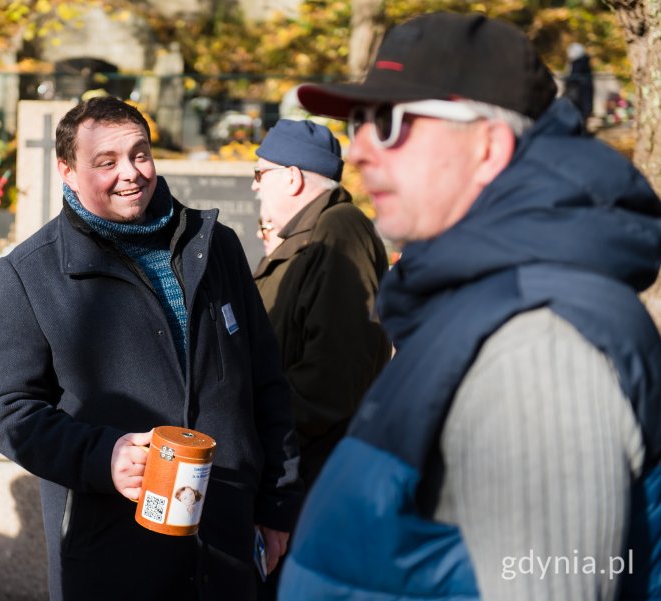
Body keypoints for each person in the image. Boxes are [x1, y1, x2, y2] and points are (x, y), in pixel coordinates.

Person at [279, 12, 661, 601]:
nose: (357, 151)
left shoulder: (538, 345)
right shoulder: (482, 304)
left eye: (390, 123)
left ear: (488, 147)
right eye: (358, 122)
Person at [0, 96, 302, 601]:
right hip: (113, 549)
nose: (130, 173)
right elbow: (0, 407)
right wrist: (102, 456)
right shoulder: (30, 273)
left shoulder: (217, 246)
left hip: (226, 539)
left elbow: (265, 382)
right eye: (106, 162)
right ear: (67, 171)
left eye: (139, 154)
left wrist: (277, 506)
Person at [251, 119, 391, 600]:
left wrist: (259, 431)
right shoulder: (305, 239)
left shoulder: (339, 229)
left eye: (260, 174)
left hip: (313, 484)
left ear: (292, 177)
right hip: (295, 477)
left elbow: (332, 377)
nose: (256, 186)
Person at [563, 42, 594, 122]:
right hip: (582, 95)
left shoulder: (578, 63)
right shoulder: (585, 62)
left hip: (578, 95)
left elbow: (573, 77)